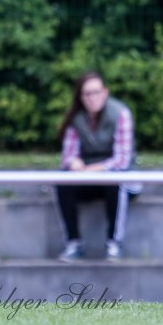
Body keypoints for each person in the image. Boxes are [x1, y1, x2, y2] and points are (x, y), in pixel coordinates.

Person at [55, 71, 139, 262]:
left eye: (96, 92)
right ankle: (73, 243)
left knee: (115, 181)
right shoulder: (76, 119)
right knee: (62, 181)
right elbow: (68, 155)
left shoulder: (121, 114)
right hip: (89, 178)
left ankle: (114, 244)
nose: (92, 98)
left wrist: (88, 170)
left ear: (105, 92)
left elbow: (122, 161)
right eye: (87, 94)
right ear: (81, 97)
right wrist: (73, 163)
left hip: (117, 179)